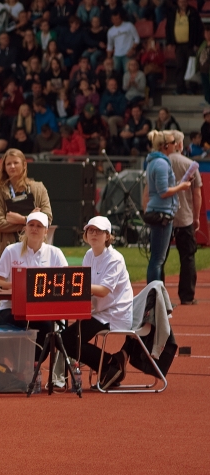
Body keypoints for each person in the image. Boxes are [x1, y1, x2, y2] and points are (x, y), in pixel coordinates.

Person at [61, 216, 133, 390]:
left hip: (115, 313)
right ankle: (111, 364)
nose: (93, 234)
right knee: (65, 339)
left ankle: (111, 363)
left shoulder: (115, 259)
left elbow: (103, 290)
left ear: (107, 236)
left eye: (98, 231)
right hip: (98, 311)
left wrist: (75, 284)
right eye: (90, 230)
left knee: (67, 341)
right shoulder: (89, 255)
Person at [0, 212, 68, 353]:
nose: (34, 228)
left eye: (39, 226)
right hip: (11, 307)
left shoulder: (55, 253)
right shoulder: (11, 251)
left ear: (46, 231)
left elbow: (65, 283)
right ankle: (19, 367)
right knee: (15, 322)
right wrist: (20, 286)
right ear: (25, 228)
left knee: (47, 327)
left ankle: (34, 366)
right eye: (31, 225)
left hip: (43, 309)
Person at [0, 148, 53, 278]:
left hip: (36, 246)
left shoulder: (38, 188)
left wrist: (23, 219)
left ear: (24, 164)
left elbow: (47, 218)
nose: (12, 166)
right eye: (8, 164)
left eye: (16, 163)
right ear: (4, 167)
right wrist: (34, 221)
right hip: (6, 247)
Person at [144, 130, 192, 284]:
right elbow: (163, 192)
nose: (175, 146)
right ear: (165, 146)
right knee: (158, 259)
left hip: (158, 210)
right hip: (162, 212)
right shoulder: (161, 163)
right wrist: (181, 187)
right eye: (172, 143)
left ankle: (156, 297)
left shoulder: (154, 161)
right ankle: (154, 297)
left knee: (157, 258)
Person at [167, 130, 202, 305]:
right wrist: (196, 217)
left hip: (163, 217)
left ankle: (159, 299)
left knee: (159, 260)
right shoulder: (190, 165)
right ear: (180, 144)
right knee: (187, 257)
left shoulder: (159, 164)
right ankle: (187, 296)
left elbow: (147, 194)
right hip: (185, 217)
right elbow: (197, 195)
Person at [165, 0, 202, 95]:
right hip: (178, 45)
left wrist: (197, 44)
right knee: (180, 67)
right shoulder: (172, 12)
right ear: (177, 2)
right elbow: (168, 28)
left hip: (191, 45)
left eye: (185, 1)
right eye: (181, 1)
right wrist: (169, 42)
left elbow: (199, 29)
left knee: (192, 67)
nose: (183, 3)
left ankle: (193, 89)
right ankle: (180, 89)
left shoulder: (193, 12)